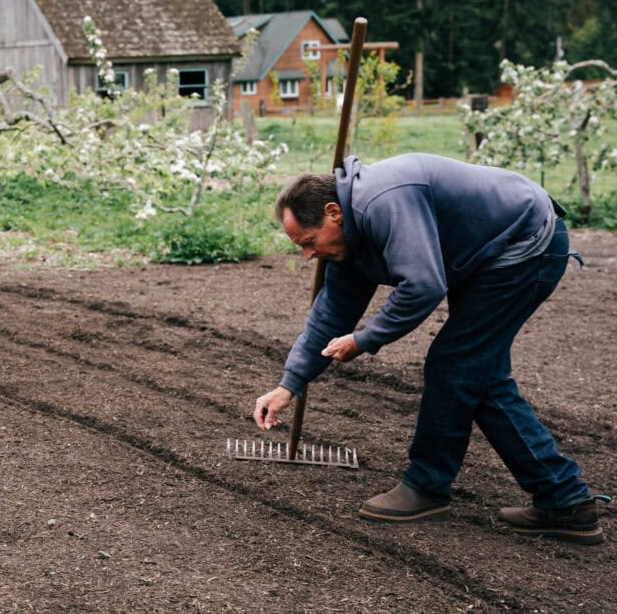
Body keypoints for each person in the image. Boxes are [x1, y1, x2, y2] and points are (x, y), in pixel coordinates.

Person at [253, 152, 610, 545]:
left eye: (308, 242)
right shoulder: (349, 238)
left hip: (525, 243)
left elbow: (423, 285)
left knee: (454, 365)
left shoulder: (382, 200)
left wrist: (365, 339)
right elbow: (331, 314)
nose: (308, 255)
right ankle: (564, 501)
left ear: (333, 212)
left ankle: (427, 487)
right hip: (485, 256)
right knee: (477, 373)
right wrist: (289, 384)